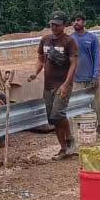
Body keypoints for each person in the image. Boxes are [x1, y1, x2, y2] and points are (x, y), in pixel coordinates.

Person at [27, 11, 79, 159]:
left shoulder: (69, 42)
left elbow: (73, 64)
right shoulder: (45, 40)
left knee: (57, 114)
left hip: (63, 85)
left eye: (57, 24)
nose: (53, 27)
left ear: (64, 25)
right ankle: (63, 148)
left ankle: (69, 137)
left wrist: (66, 84)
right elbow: (41, 60)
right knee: (52, 118)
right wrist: (35, 73)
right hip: (48, 86)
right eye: (52, 24)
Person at [71, 13, 100, 136]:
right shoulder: (71, 39)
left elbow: (97, 57)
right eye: (74, 21)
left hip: (93, 77)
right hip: (77, 79)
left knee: (99, 102)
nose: (76, 23)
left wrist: (96, 75)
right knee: (78, 104)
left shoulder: (92, 38)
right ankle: (82, 128)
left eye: (78, 20)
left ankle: (99, 125)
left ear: (84, 22)